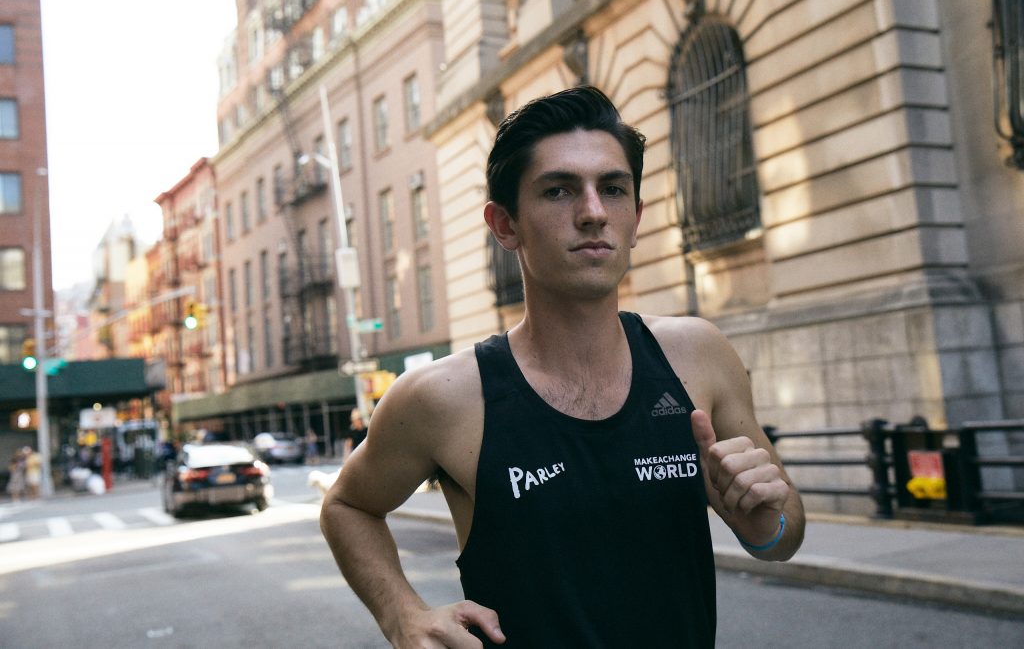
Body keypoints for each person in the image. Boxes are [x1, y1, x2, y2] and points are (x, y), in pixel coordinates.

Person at [321, 86, 805, 647]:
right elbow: (348, 505)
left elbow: (785, 532)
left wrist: (762, 524)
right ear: (506, 225)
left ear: (635, 218)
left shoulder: (699, 354)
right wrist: (402, 615)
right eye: (558, 190)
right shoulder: (444, 396)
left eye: (613, 189)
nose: (594, 213)